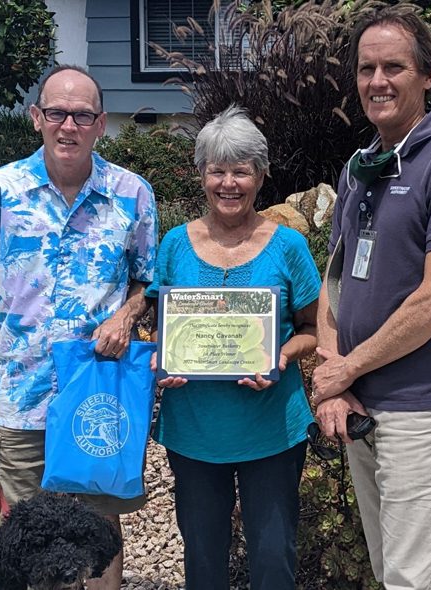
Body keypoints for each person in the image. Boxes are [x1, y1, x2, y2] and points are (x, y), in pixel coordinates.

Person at [311, 5, 431, 589]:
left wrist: (345, 368)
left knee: (414, 580)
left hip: (419, 410)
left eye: (394, 66)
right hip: (361, 403)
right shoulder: (361, 166)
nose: (377, 82)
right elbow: (336, 280)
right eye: (366, 68)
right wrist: (334, 379)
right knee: (387, 570)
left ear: (428, 75)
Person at [0, 64, 158, 590]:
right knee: (27, 534)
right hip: (21, 397)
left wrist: (126, 314)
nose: (68, 126)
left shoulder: (132, 195)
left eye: (82, 115)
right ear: (36, 118)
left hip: (98, 395)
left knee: (98, 528)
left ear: (100, 124)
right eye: (57, 113)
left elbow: (148, 283)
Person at [147, 105, 321, 590]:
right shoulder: (174, 245)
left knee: (273, 558)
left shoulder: (289, 247)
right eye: (217, 170)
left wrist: (283, 355)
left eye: (241, 171)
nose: (228, 183)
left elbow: (314, 329)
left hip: (270, 428)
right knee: (203, 560)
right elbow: (168, 325)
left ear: (261, 176)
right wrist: (165, 358)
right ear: (201, 173)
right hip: (196, 428)